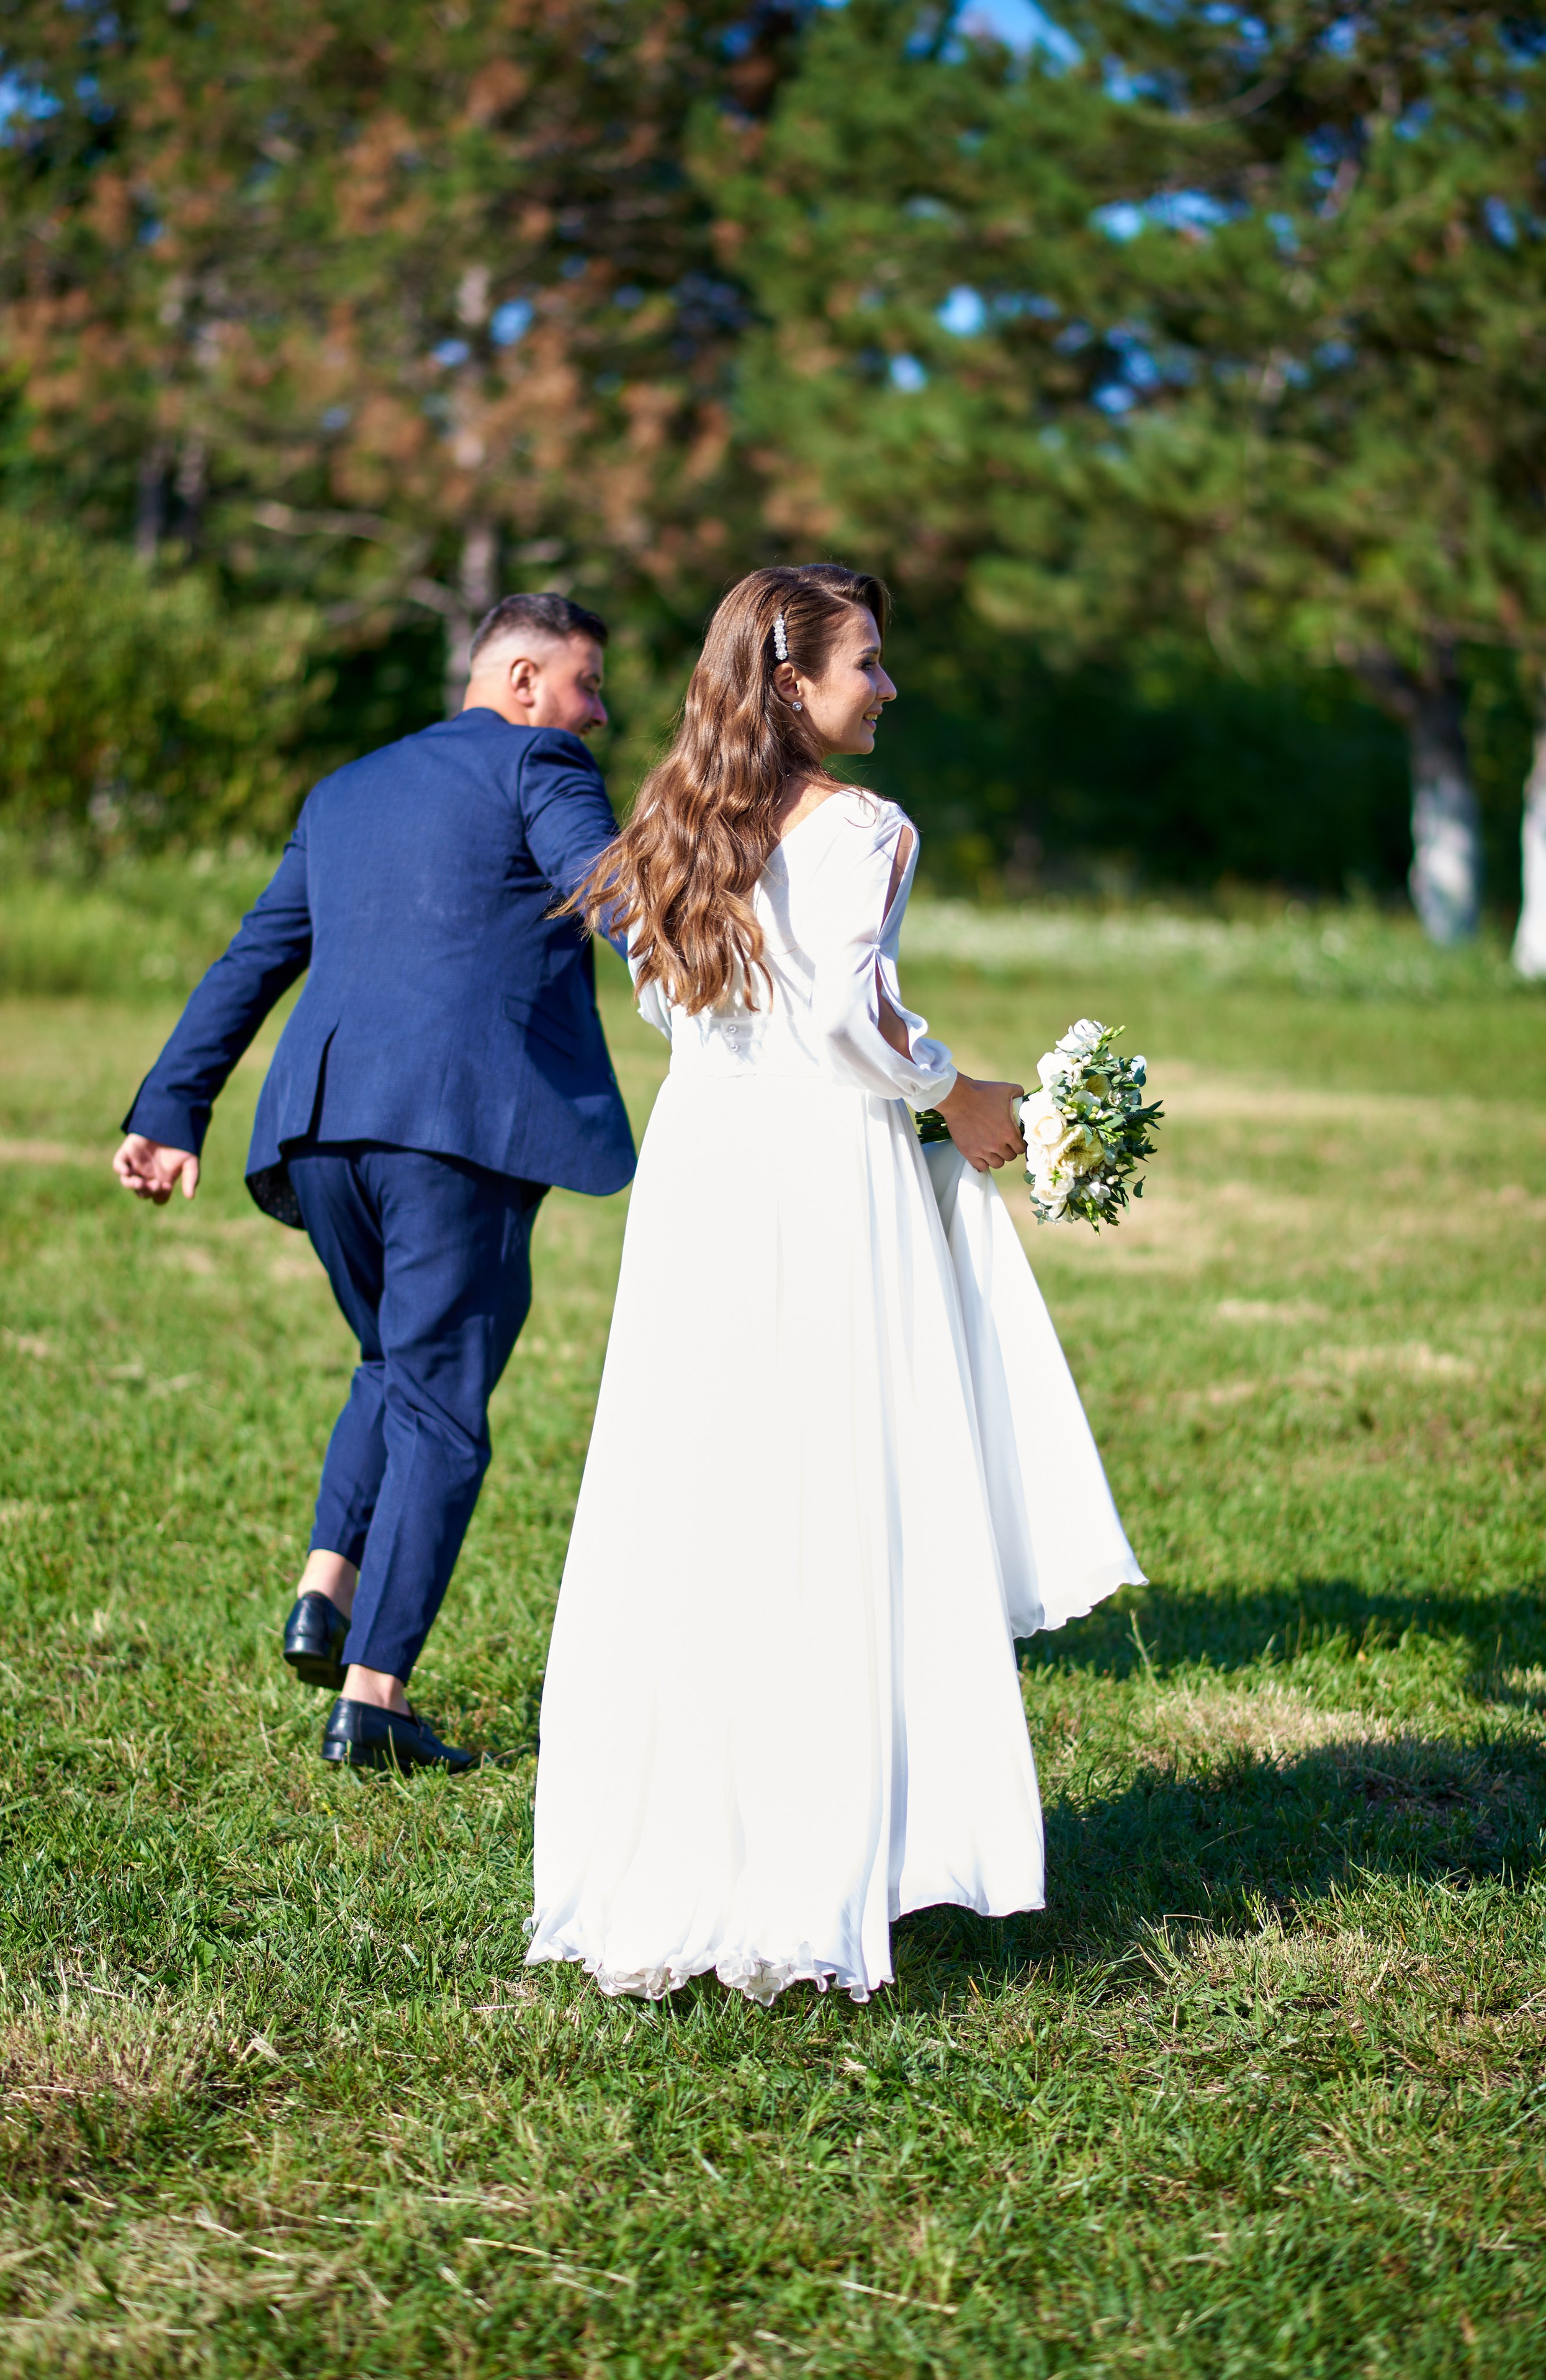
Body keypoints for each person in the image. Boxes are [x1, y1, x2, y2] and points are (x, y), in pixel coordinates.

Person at [526, 563, 1144, 2006]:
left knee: (703, 1493)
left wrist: (912, 1056)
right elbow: (842, 1019)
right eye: (866, 662)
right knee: (831, 1488)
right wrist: (959, 1091)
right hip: (817, 1179)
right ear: (791, 686)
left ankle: (697, 1851)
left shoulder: (673, 826)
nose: (887, 687)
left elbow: (706, 1007)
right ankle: (817, 1855)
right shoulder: (865, 826)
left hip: (703, 1180)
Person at [113, 593, 635, 1774]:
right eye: (587, 685)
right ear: (518, 681)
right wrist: (722, 956)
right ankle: (377, 1697)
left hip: (319, 1128)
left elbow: (255, 953)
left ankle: (325, 1586)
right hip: (455, 1127)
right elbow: (608, 890)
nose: (597, 714)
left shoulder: (345, 789)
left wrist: (170, 1109)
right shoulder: (538, 760)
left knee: (395, 1365)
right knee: (444, 1407)